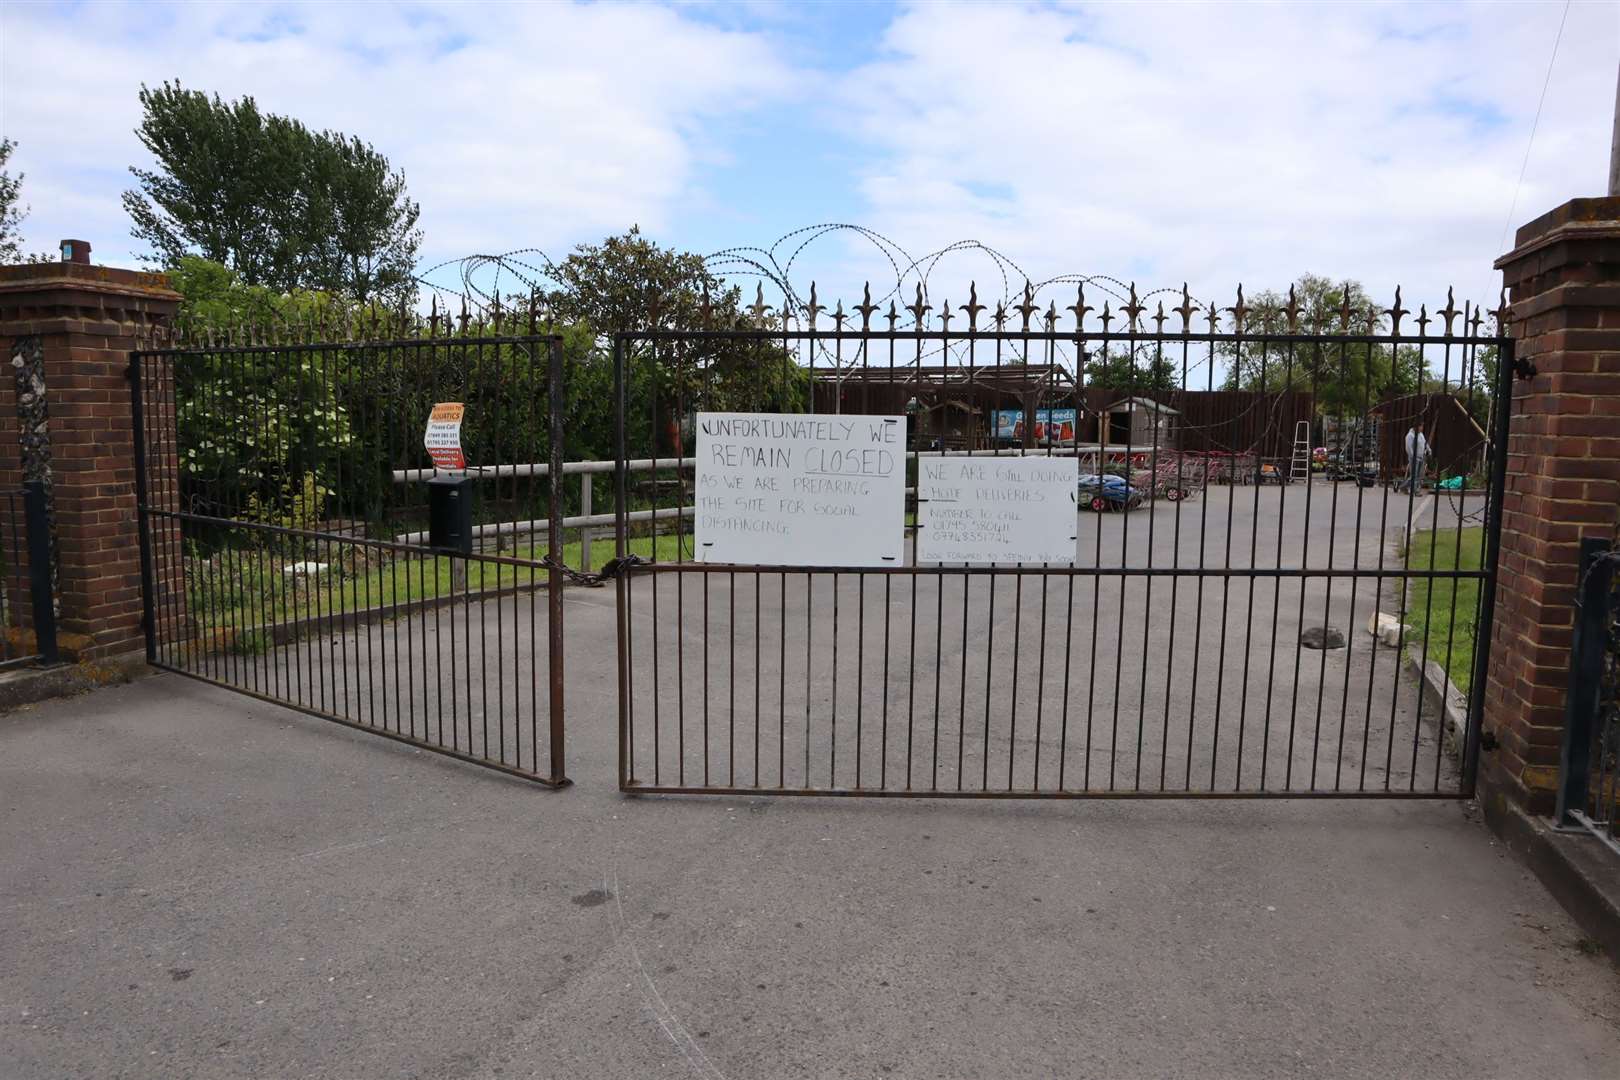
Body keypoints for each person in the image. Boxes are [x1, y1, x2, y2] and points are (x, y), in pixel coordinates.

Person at [1403, 424, 1430, 493]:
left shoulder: (1421, 434)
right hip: (1414, 458)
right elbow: (1408, 448)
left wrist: (1428, 449)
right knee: (1414, 475)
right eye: (1421, 426)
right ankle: (1414, 491)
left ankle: (1403, 486)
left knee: (1417, 476)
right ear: (1416, 426)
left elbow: (1424, 443)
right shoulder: (1410, 436)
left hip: (1421, 457)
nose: (1422, 428)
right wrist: (1413, 457)